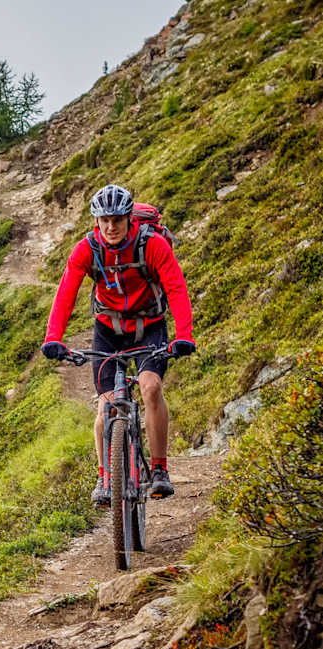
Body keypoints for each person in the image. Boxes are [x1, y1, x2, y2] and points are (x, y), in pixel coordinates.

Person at [40, 184, 195, 507]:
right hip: (108, 330)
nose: (110, 227)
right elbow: (66, 292)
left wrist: (184, 335)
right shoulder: (88, 249)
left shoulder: (151, 245)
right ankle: (105, 478)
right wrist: (53, 338)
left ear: (128, 219)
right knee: (106, 404)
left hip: (149, 327)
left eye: (117, 220)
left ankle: (159, 470)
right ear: (97, 221)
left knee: (150, 387)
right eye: (104, 220)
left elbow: (176, 288)